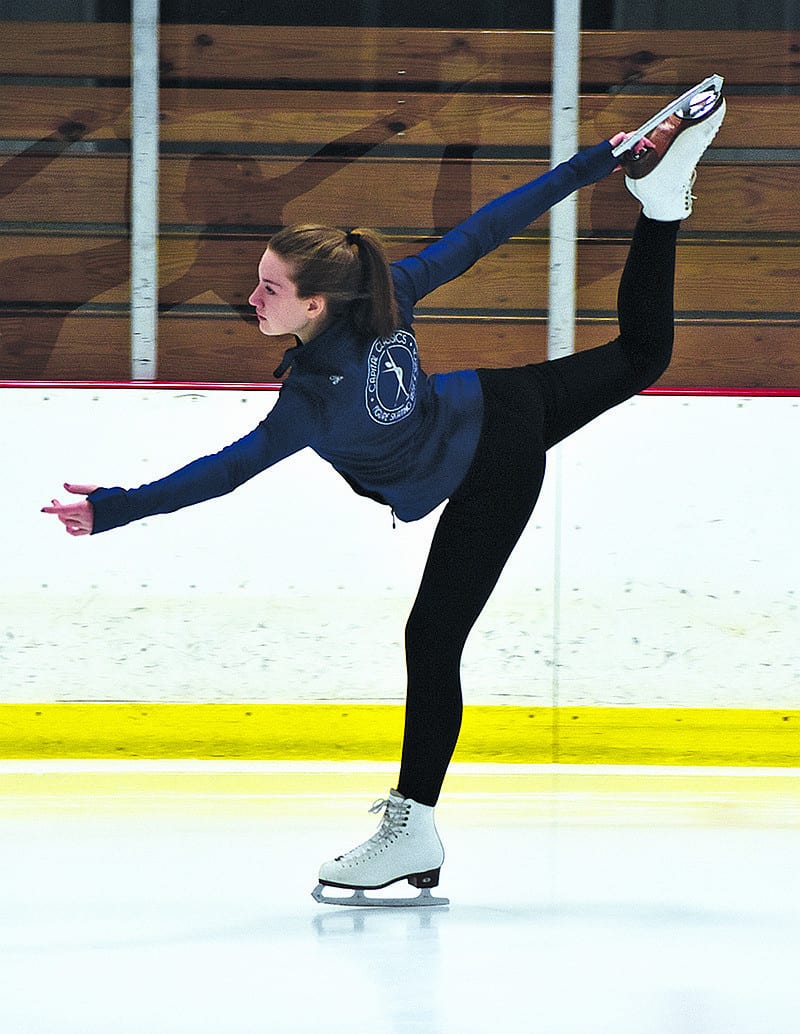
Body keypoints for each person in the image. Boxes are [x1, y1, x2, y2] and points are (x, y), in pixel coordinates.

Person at [43, 84, 726, 905]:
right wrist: (590, 165)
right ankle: (661, 205)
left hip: (489, 464)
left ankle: (412, 826)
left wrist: (114, 507)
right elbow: (481, 231)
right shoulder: (382, 303)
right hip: (501, 409)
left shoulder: (313, 396)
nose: (252, 296)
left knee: (432, 635)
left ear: (316, 301)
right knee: (643, 355)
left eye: (268, 287)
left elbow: (223, 471)